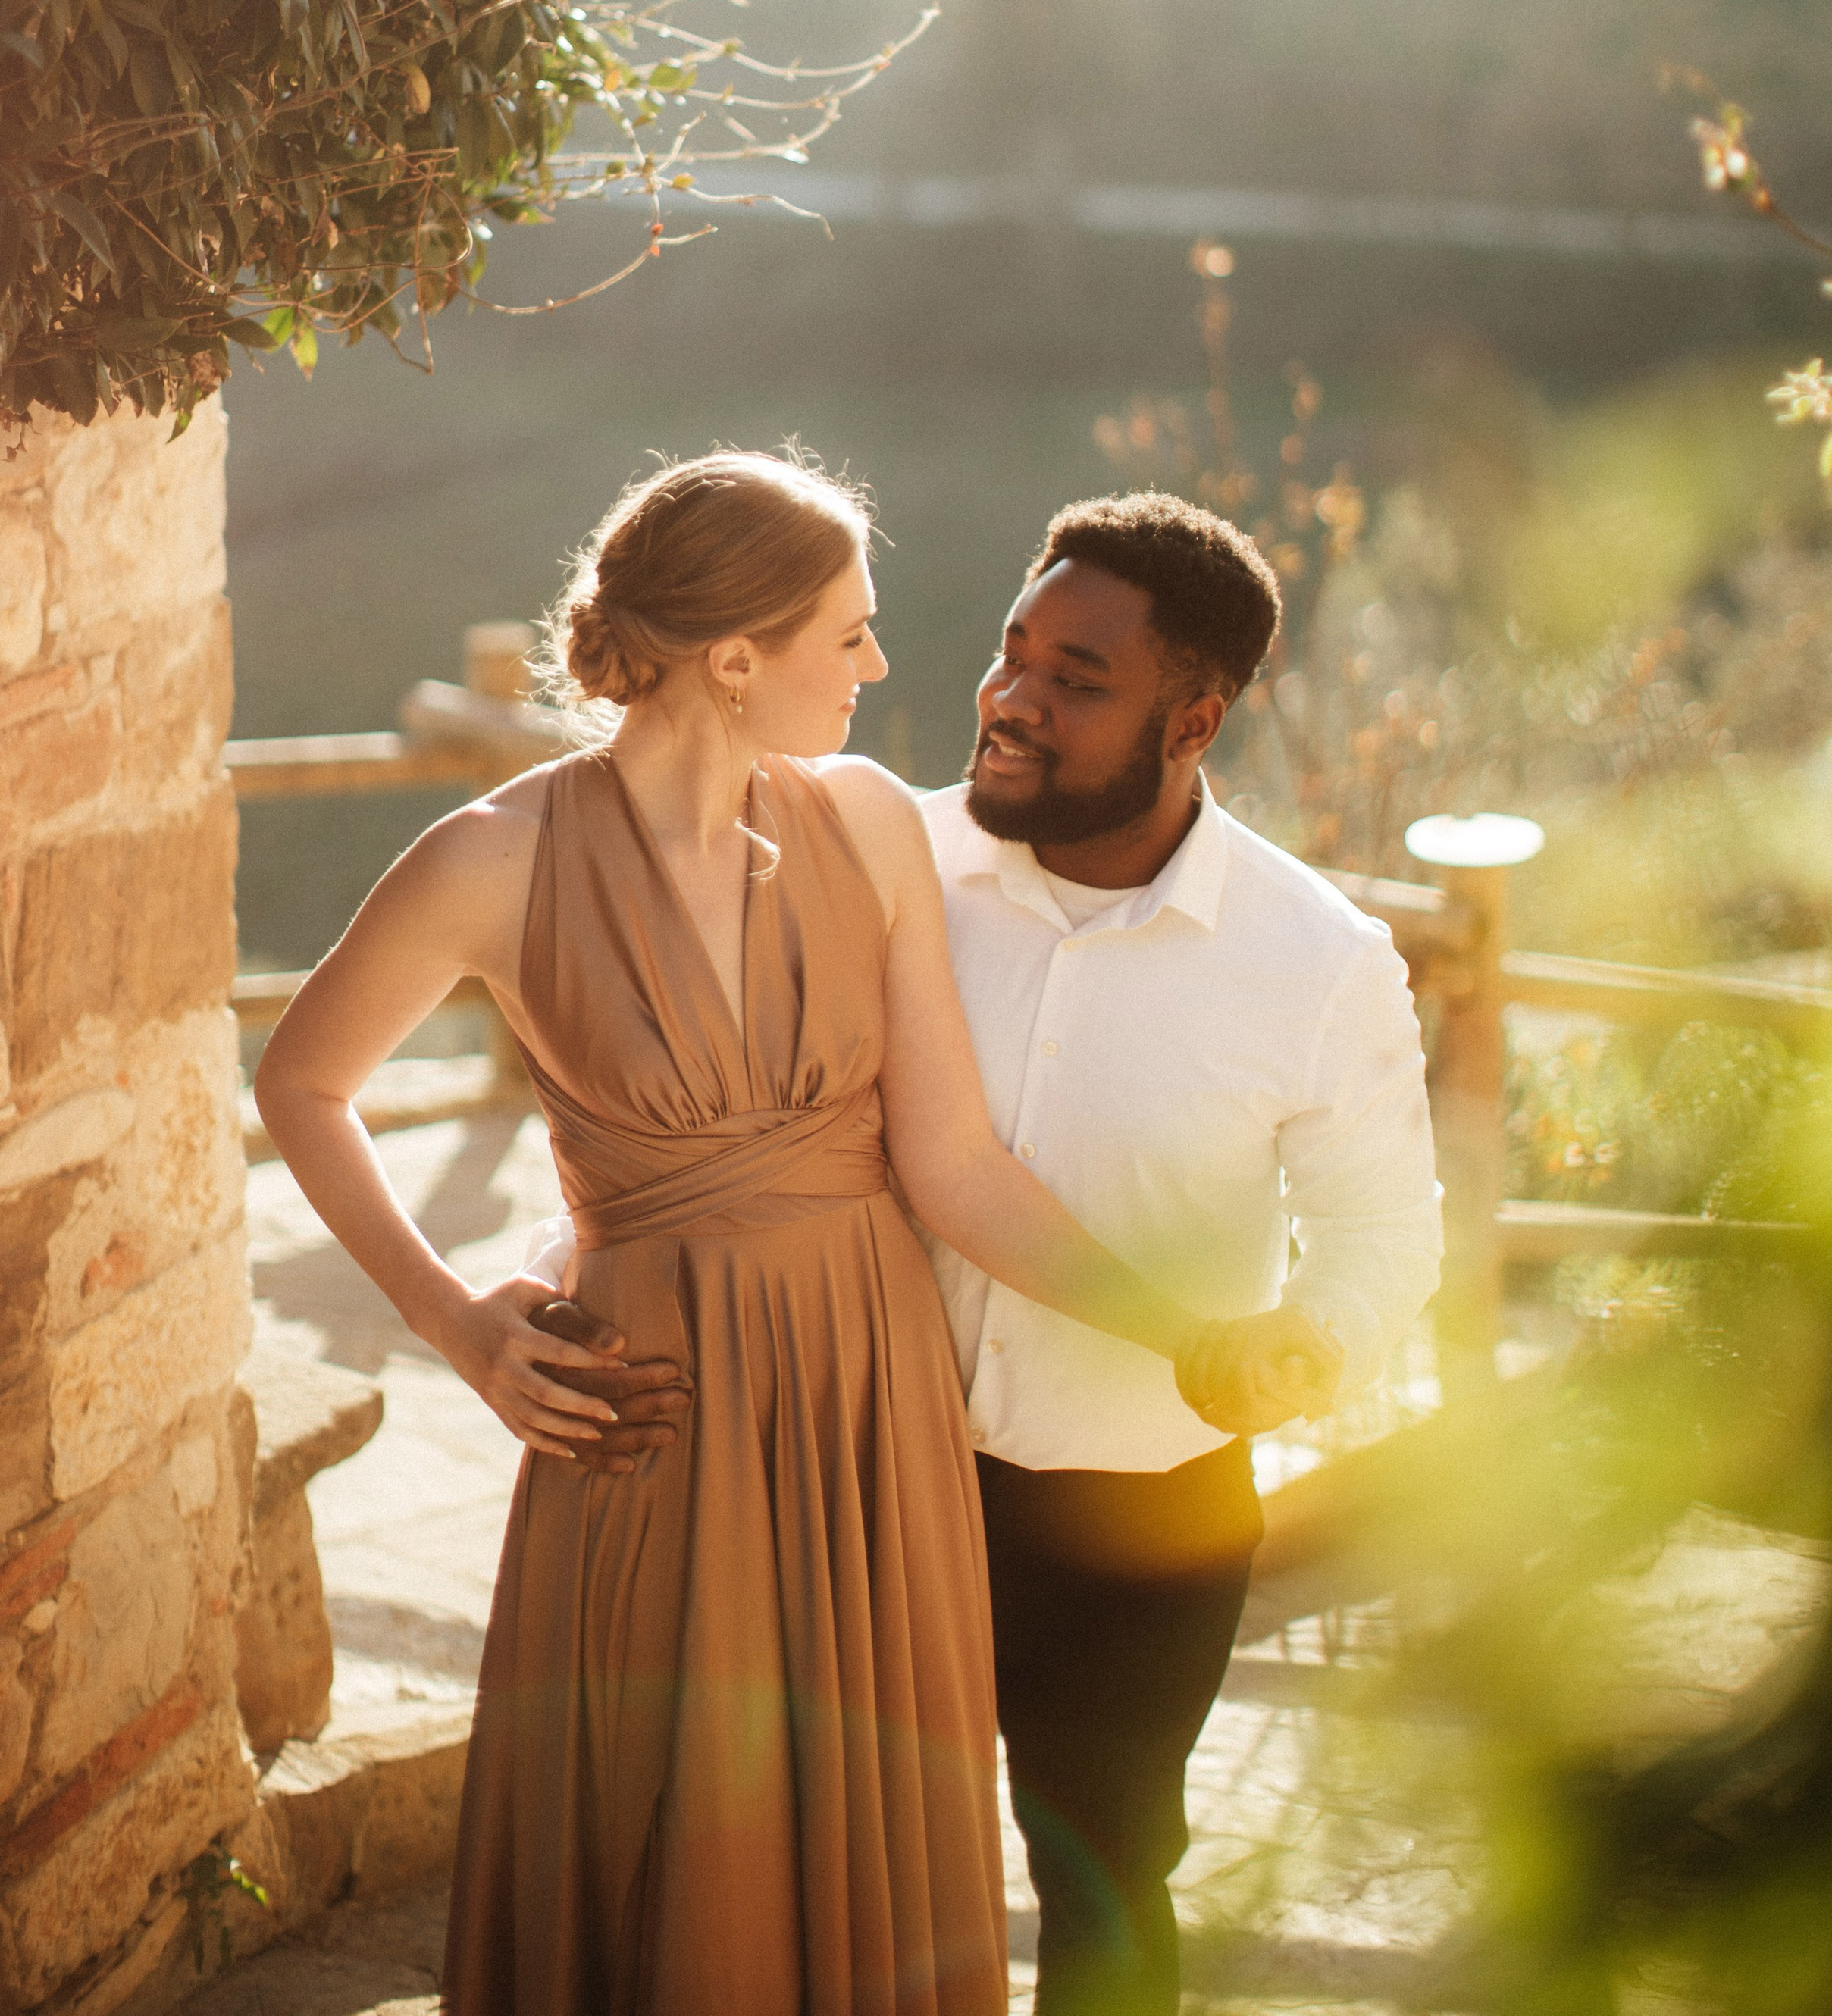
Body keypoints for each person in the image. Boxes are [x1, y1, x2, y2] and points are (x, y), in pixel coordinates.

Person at [252, 452, 1321, 2016]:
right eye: (849, 632)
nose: (883, 668)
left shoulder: (869, 825)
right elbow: (304, 1081)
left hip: (868, 1406)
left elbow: (954, 1166)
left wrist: (1191, 1334)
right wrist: (456, 1325)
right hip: (652, 1416)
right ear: (735, 656)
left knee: (863, 1840)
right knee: (670, 1827)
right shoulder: (492, 858)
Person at [923, 491, 1442, 2016]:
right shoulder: (896, 868)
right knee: (846, 1845)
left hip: (1142, 1515)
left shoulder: (1317, 961)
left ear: (1191, 720)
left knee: (1100, 1870)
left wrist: (1313, 1341)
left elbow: (1378, 1228)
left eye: (1077, 678)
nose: (1013, 697)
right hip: (874, 1468)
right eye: (1013, 650)